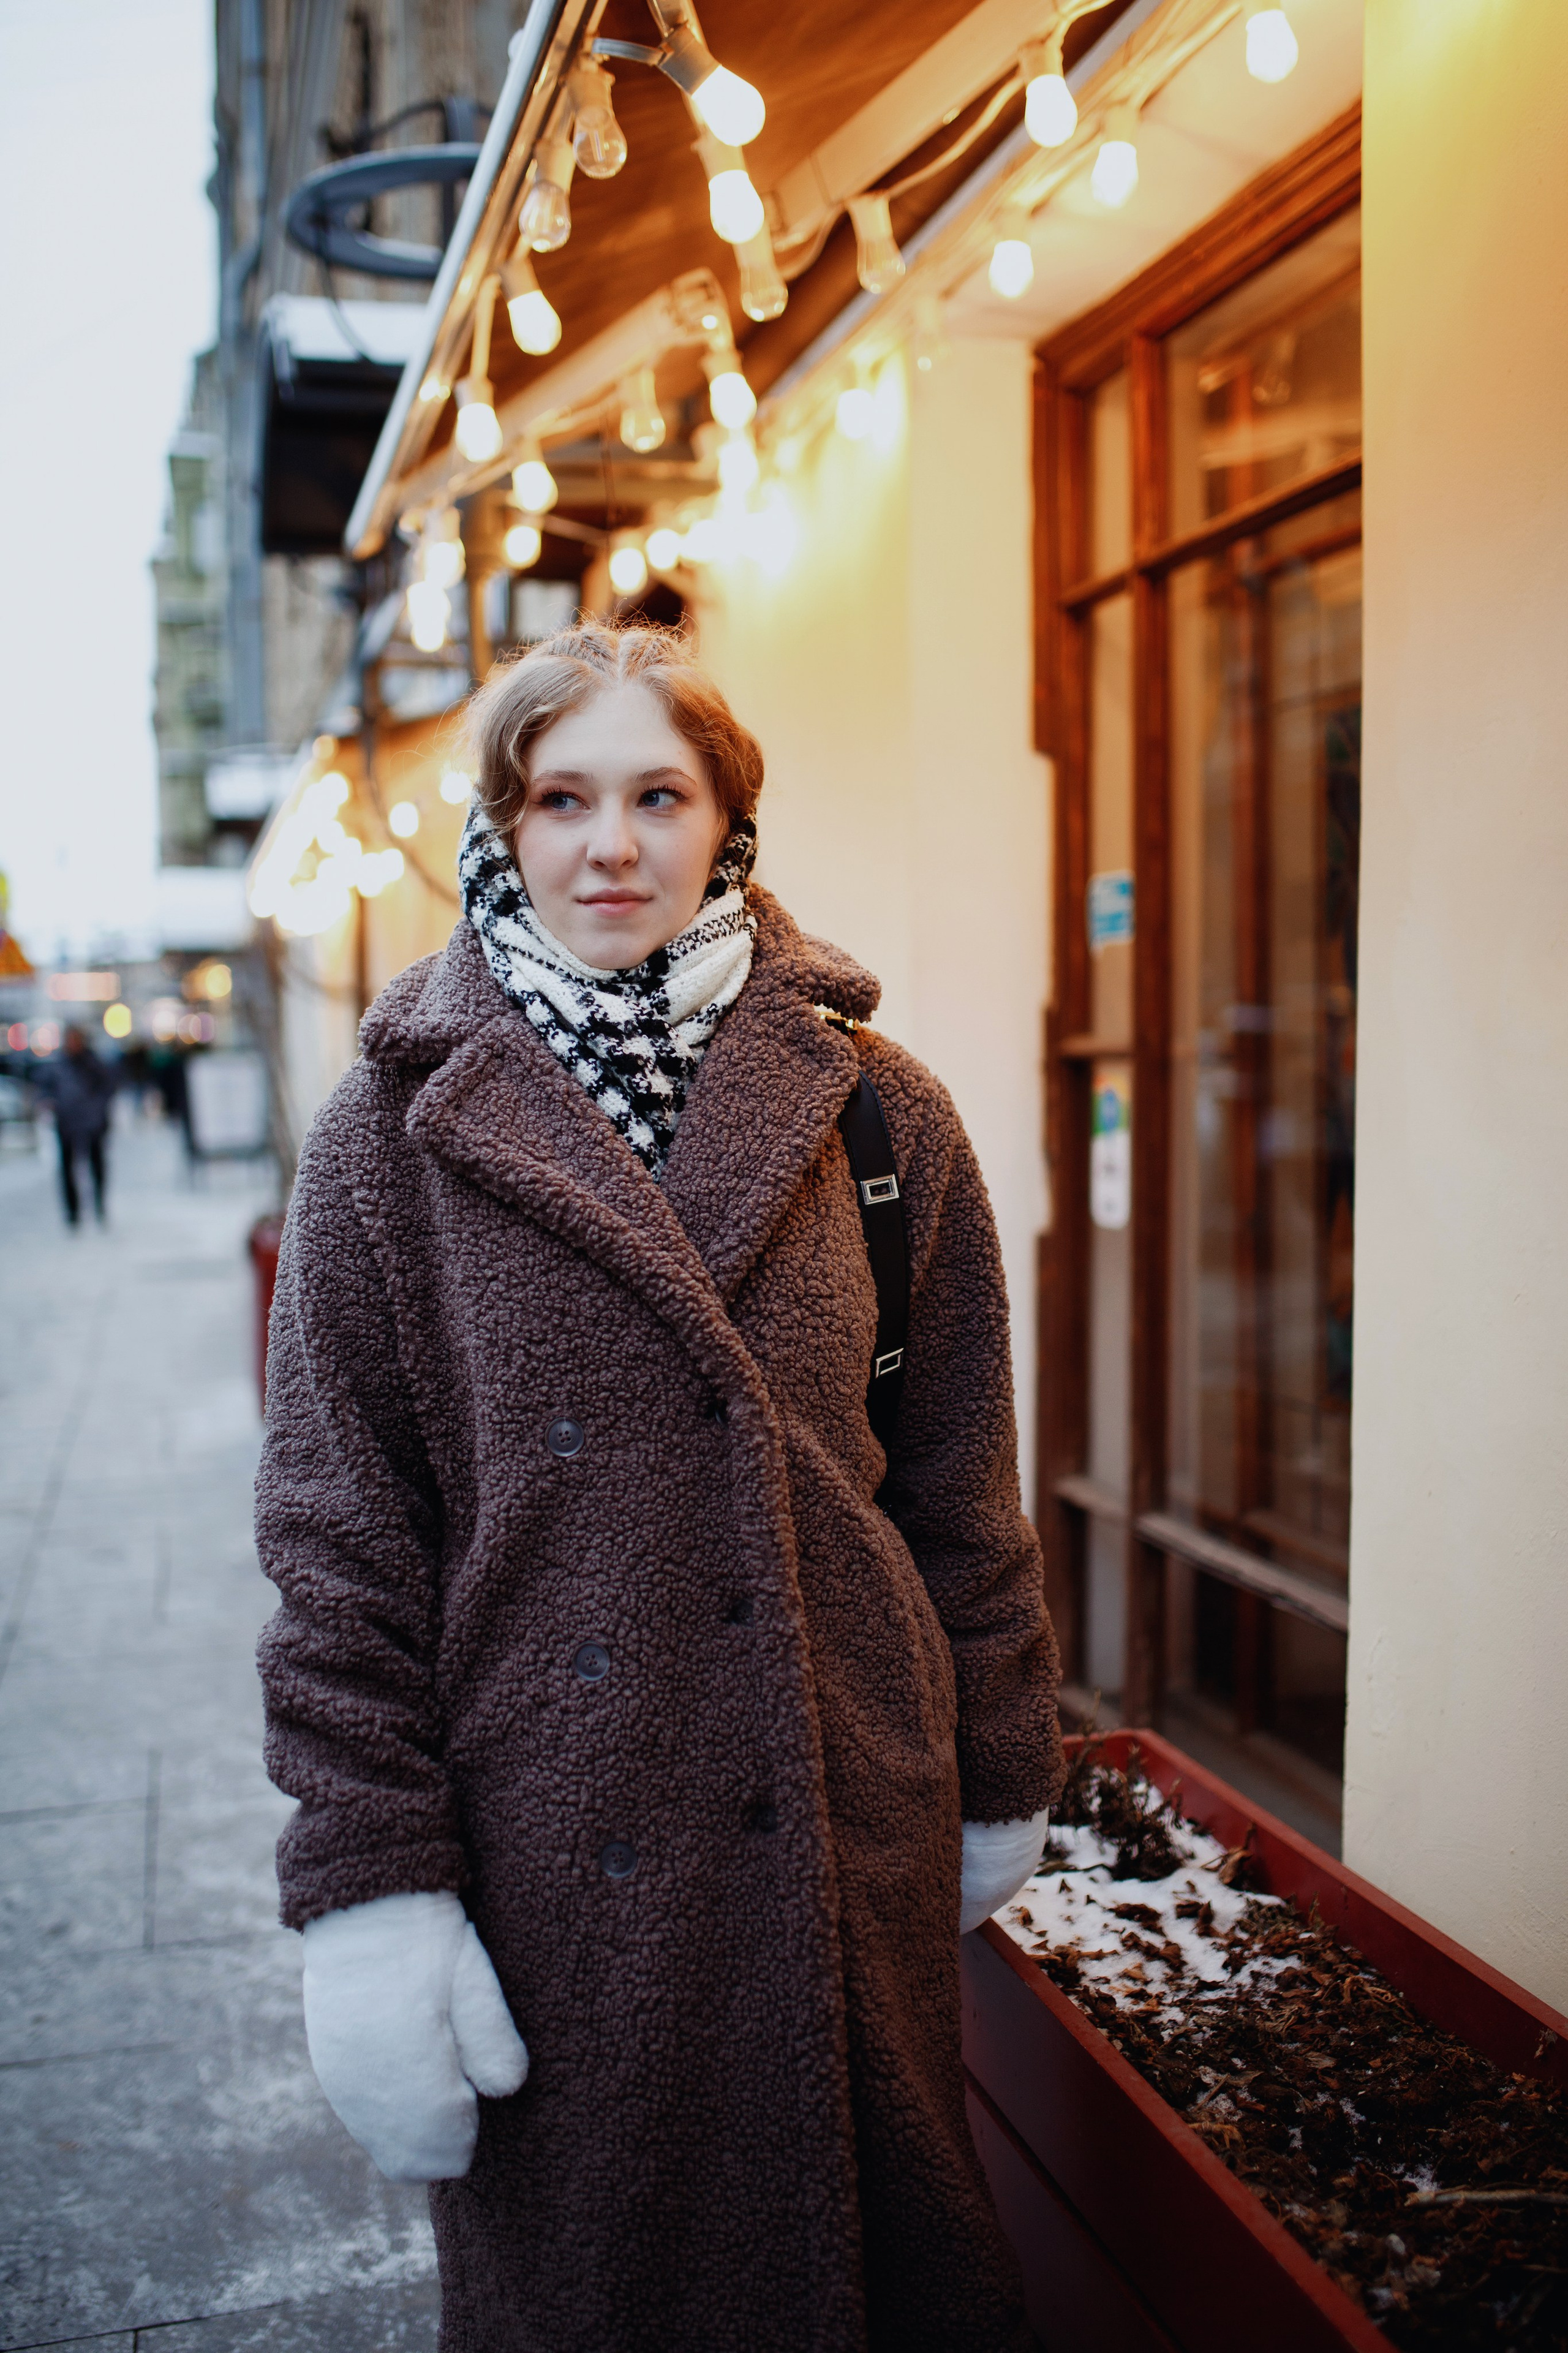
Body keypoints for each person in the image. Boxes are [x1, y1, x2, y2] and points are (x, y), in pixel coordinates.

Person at [255, 624, 1064, 2353]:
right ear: (505, 827)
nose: (607, 844)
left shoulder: (880, 1112)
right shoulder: (392, 1137)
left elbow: (961, 1479)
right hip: (559, 1843)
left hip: (847, 1812)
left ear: (726, 823)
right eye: (561, 798)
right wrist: (373, 1887)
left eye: (655, 795)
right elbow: (341, 1542)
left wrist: (998, 1753)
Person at [37, 1025, 114, 1225]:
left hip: (92, 1123)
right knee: (67, 1170)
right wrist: (51, 1104)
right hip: (67, 1123)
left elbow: (108, 1088)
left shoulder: (93, 1063)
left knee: (96, 1166)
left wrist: (97, 1110)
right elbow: (45, 1089)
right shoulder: (58, 1064)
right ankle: (73, 1213)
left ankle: (99, 1205)